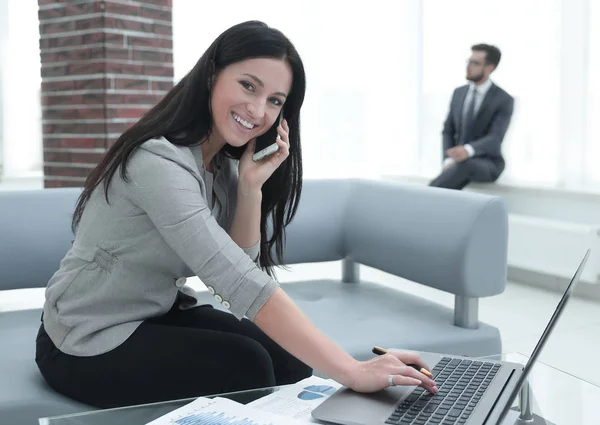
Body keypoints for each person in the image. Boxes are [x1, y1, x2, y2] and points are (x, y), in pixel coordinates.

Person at [35, 21, 438, 409]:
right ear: (212, 75)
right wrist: (351, 370)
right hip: (84, 335)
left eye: (275, 101)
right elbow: (239, 283)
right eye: (248, 86)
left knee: (288, 359)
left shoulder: (222, 167)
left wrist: (249, 188)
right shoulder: (156, 159)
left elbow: (239, 274)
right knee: (246, 365)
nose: (259, 110)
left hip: (154, 312)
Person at [429, 44, 514, 190]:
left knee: (464, 165)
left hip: (488, 163)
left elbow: (495, 138)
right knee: (457, 171)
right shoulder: (459, 93)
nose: (468, 66)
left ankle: (427, 194)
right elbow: (448, 130)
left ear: (490, 68)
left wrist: (467, 150)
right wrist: (448, 159)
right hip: (457, 164)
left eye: (475, 63)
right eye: (468, 61)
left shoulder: (503, 99)